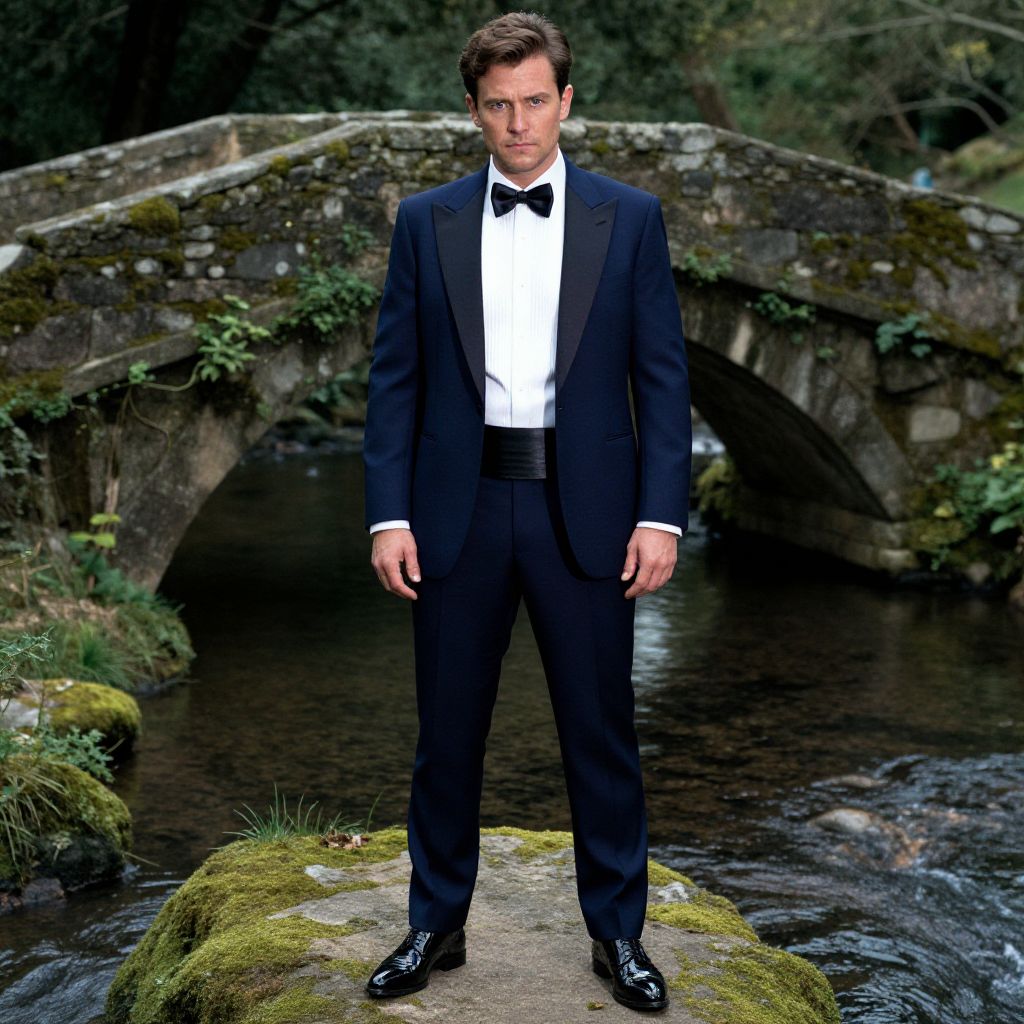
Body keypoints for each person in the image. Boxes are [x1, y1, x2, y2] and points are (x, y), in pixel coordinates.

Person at [361, 10, 691, 1013]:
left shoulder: (627, 218)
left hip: (585, 512)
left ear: (565, 101)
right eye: (497, 106)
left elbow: (662, 380)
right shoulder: (427, 221)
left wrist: (660, 516)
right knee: (445, 734)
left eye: (534, 101)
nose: (517, 124)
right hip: (453, 511)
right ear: (473, 111)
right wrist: (386, 515)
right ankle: (434, 925)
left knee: (599, 731)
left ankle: (618, 937)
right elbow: (395, 383)